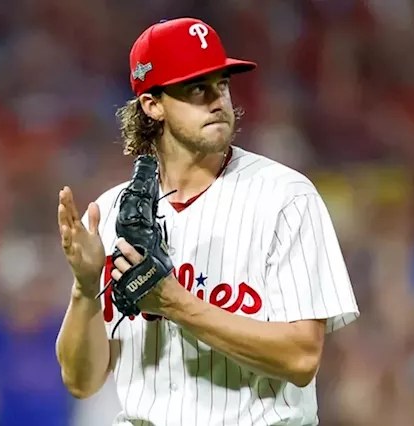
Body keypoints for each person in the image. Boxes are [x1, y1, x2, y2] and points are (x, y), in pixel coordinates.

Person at [55, 17, 359, 426]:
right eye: (196, 88)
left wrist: (175, 304)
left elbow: (301, 356)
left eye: (222, 84)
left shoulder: (285, 197)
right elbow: (83, 381)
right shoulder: (111, 214)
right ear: (152, 104)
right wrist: (86, 288)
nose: (218, 100)